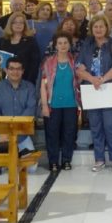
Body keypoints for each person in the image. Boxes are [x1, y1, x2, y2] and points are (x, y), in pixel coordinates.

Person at [76, 15, 112, 172]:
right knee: (95, 126)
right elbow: (78, 66)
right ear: (91, 29)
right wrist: (92, 79)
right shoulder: (86, 45)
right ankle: (99, 159)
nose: (98, 29)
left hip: (109, 88)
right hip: (91, 89)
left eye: (101, 26)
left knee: (111, 125)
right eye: (95, 26)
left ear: (106, 28)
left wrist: (102, 79)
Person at [0, 56, 38, 176]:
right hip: (2, 134)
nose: (15, 72)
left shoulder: (30, 88)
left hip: (21, 134)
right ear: (6, 70)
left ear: (23, 71)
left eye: (18, 69)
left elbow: (30, 111)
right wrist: (3, 133)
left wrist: (14, 132)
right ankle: (6, 159)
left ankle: (12, 159)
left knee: (32, 169)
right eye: (11, 68)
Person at [40, 33, 81, 172]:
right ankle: (53, 161)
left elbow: (80, 80)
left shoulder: (75, 61)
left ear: (70, 45)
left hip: (71, 104)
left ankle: (66, 160)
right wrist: (44, 105)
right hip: (53, 105)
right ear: (55, 45)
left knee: (69, 134)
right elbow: (43, 85)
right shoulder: (48, 62)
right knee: (52, 134)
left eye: (65, 43)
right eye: (60, 43)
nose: (63, 45)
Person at [0, 12, 40, 85]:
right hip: (4, 83)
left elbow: (35, 63)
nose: (18, 25)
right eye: (15, 22)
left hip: (26, 81)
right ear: (10, 24)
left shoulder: (31, 41)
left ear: (24, 25)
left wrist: (29, 81)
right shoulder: (2, 41)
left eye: (21, 22)